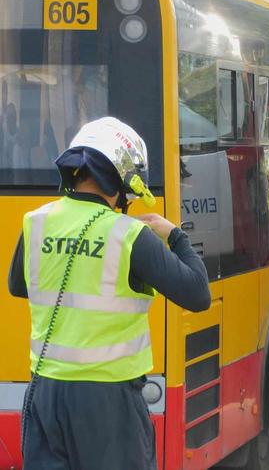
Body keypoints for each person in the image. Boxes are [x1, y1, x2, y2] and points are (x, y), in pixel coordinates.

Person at [7, 117, 211, 470]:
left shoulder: (35, 222)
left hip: (46, 391)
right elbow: (197, 294)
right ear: (121, 178)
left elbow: (18, 285)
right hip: (108, 401)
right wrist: (175, 236)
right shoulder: (131, 236)